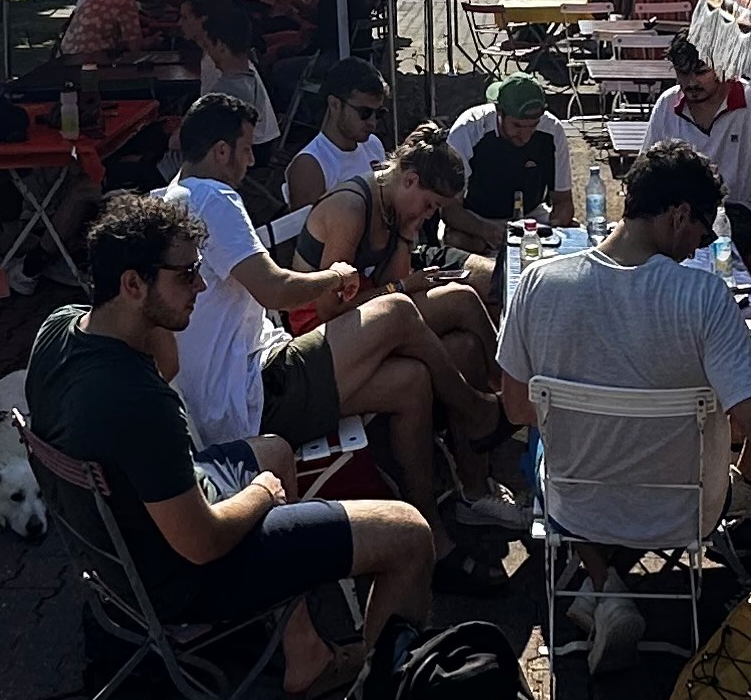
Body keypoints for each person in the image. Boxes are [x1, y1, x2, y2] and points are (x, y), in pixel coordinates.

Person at [25, 189, 436, 700]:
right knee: (409, 535)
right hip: (185, 579)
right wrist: (263, 495)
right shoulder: (137, 404)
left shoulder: (57, 330)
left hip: (120, 562)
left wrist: (157, 317)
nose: (201, 286)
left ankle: (303, 653)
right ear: (132, 284)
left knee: (273, 449)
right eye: (184, 276)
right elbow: (204, 541)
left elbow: (168, 367)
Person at [496, 142, 751, 672]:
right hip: (684, 510)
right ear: (679, 215)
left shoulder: (539, 284)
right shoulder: (705, 299)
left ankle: (604, 588)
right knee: (650, 458)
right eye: (704, 234)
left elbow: (517, 411)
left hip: (579, 503)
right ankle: (607, 591)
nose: (700, 249)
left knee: (572, 459)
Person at [165, 95, 445, 510]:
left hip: (228, 401)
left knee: (411, 384)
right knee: (397, 310)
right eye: (245, 150)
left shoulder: (168, 200)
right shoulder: (212, 198)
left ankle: (428, 522)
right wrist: (335, 276)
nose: (251, 163)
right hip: (253, 395)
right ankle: (479, 418)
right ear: (220, 152)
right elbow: (274, 289)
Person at [285, 126, 511, 481]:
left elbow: (393, 281)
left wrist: (407, 232)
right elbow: (329, 308)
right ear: (410, 180)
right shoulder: (352, 208)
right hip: (321, 332)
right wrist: (403, 284)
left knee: (464, 345)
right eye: (429, 206)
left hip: (368, 313)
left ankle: (475, 488)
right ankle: (505, 396)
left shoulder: (394, 205)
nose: (428, 216)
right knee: (463, 300)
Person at [642, 38, 751, 259]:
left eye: (700, 72)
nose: (691, 82)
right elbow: (646, 170)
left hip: (736, 210)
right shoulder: (667, 104)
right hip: (679, 211)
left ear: (723, 66)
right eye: (682, 73)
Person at [444, 73, 576, 259]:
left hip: (533, 218)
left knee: (575, 234)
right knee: (455, 240)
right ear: (499, 112)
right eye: (517, 126)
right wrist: (486, 230)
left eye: (533, 126)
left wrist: (554, 226)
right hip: (478, 218)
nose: (526, 136)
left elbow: (563, 201)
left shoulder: (552, 130)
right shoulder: (469, 129)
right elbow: (450, 208)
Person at [284, 64, 391, 219]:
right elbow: (306, 239)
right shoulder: (310, 165)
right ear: (334, 104)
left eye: (379, 113)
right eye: (364, 113)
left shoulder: (373, 144)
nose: (372, 122)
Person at [190, 0, 280, 153]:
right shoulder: (246, 75)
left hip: (247, 148)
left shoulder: (225, 88)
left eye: (208, 46)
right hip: (260, 143)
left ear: (221, 47)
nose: (208, 53)